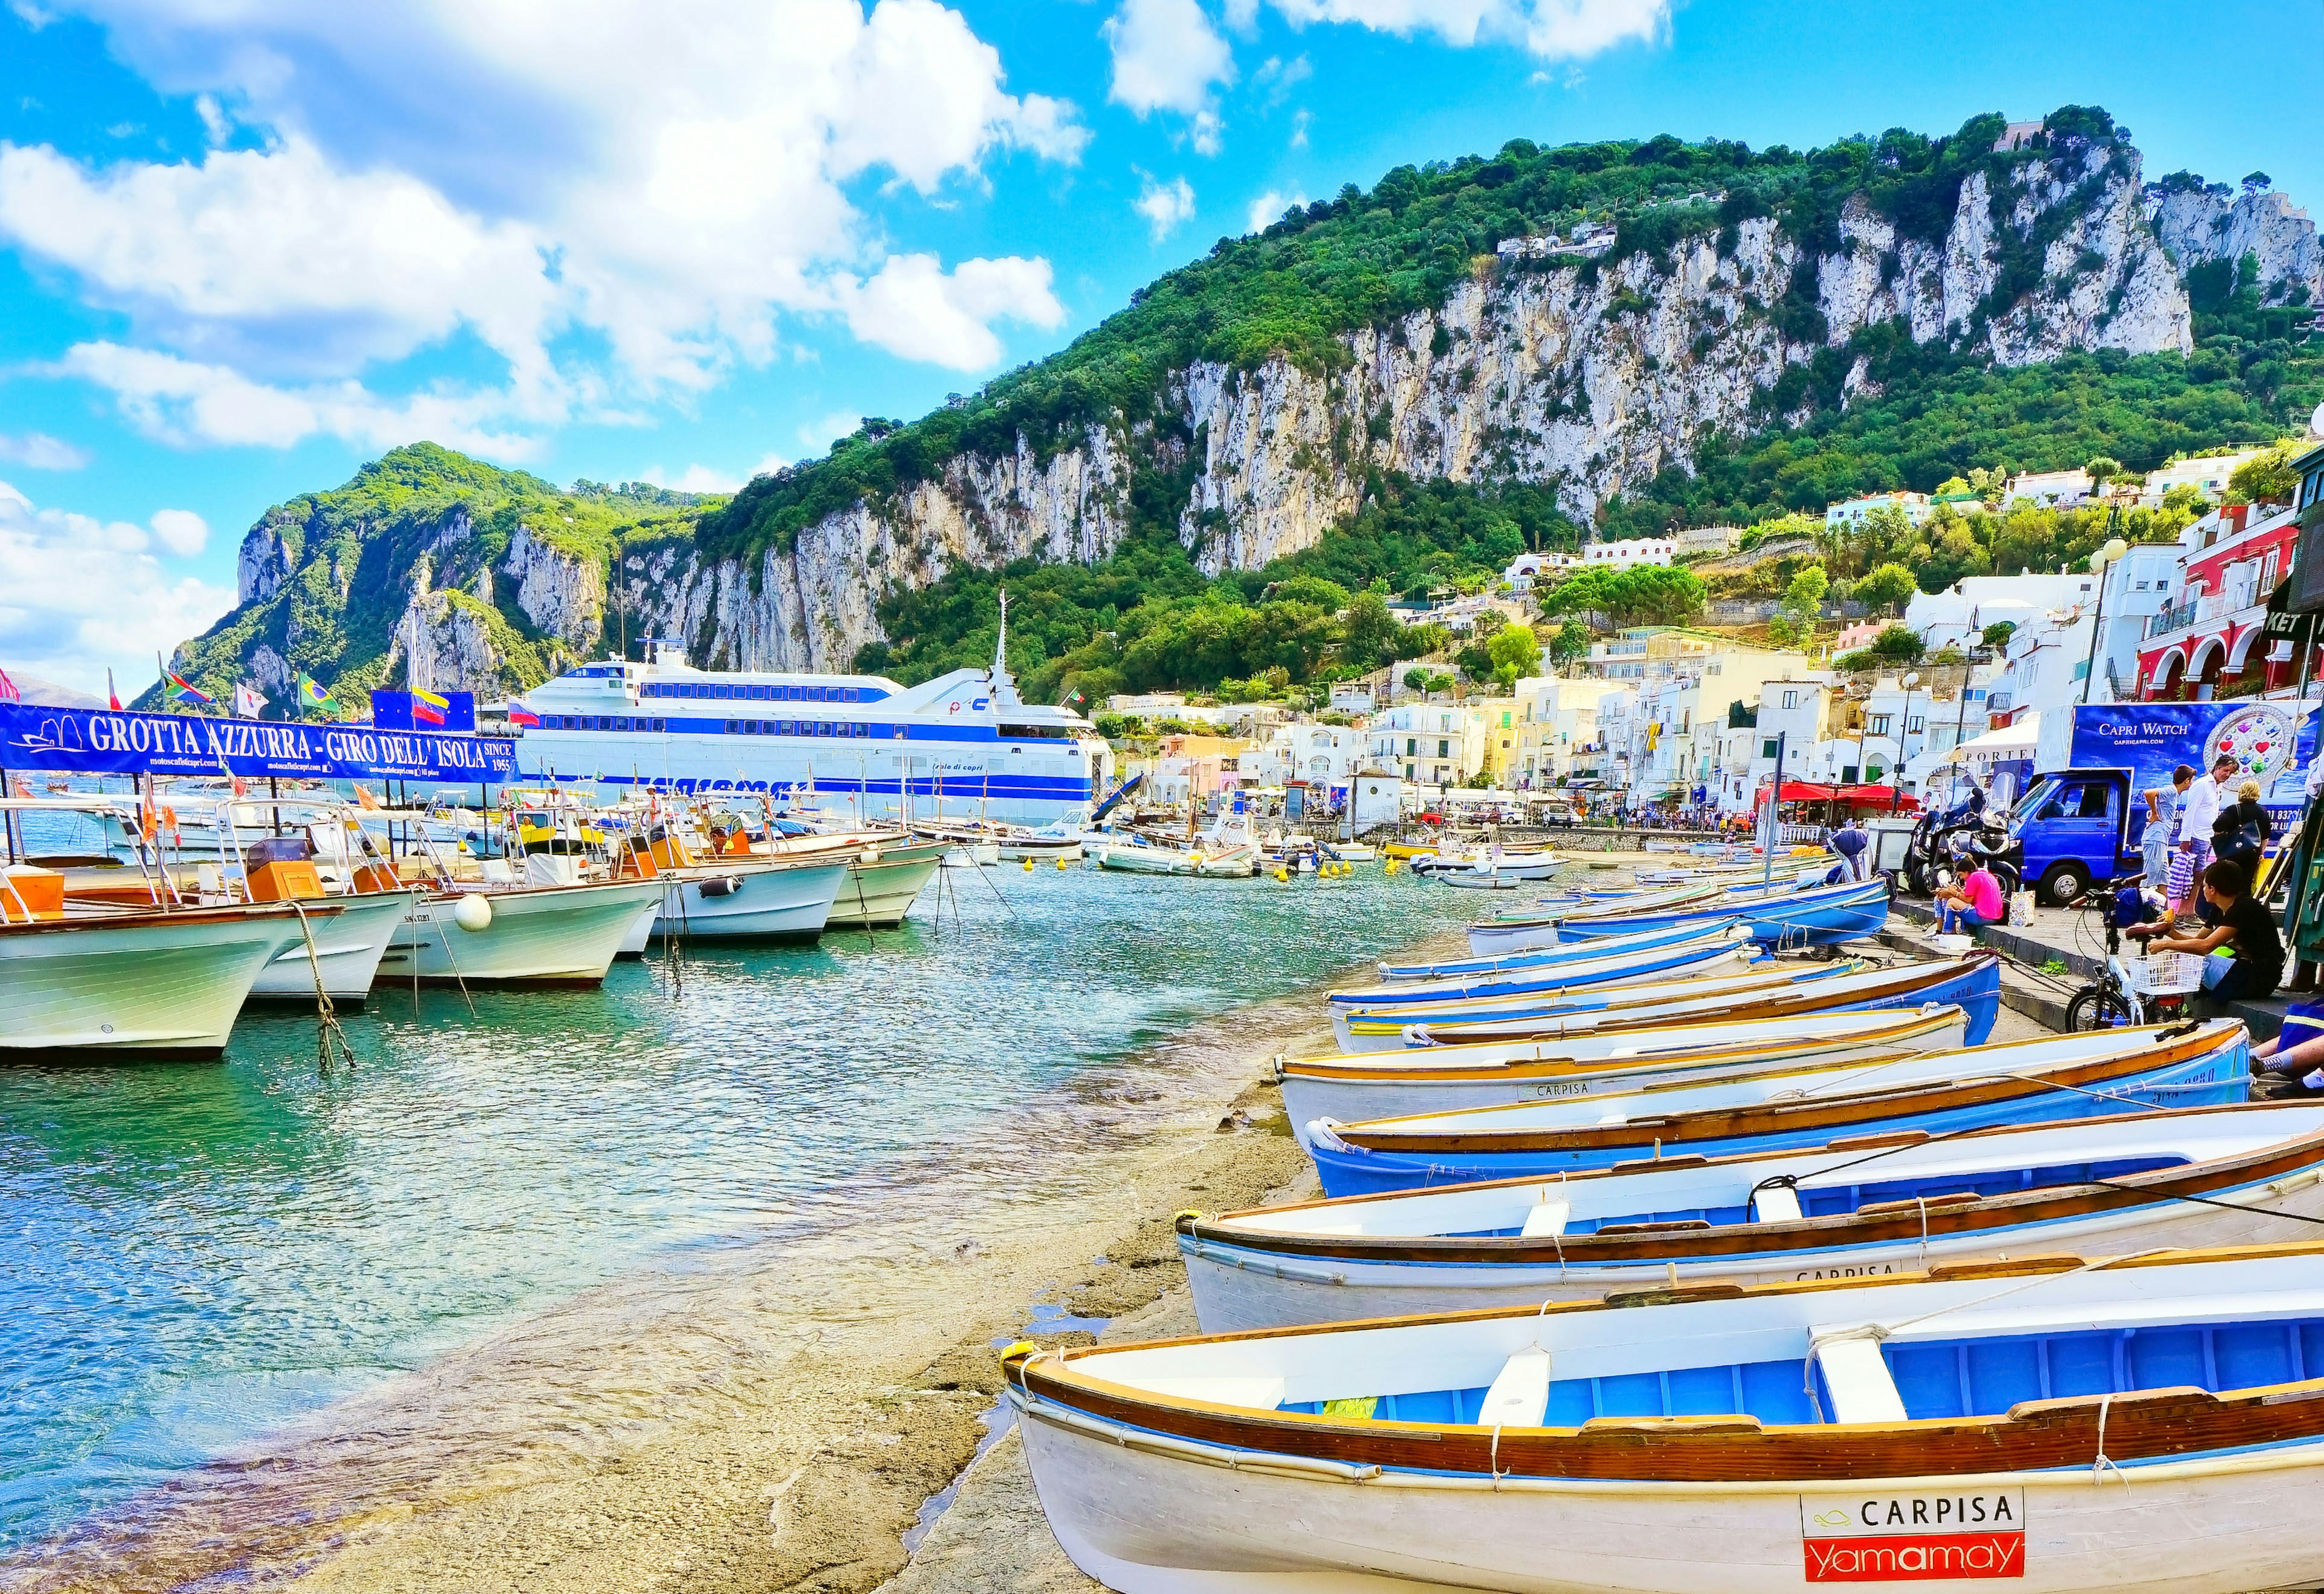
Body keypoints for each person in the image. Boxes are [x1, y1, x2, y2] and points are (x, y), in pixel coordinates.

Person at [2148, 858, 2283, 1007]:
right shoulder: (2219, 908)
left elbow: (2205, 946)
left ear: (2213, 889)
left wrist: (2166, 945)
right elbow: (2197, 940)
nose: (2203, 889)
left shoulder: (2243, 909)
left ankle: (2169, 1004)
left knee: (2196, 962)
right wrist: (2171, 932)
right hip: (2242, 967)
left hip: (2259, 975)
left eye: (2205, 886)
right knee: (2185, 956)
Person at [2143, 766, 2194, 891]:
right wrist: (2154, 813)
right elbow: (2149, 793)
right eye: (2191, 780)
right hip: (2156, 837)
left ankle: (2165, 909)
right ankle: (2144, 906)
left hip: (2161, 839)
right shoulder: (2171, 790)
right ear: (2186, 780)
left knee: (2163, 877)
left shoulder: (2175, 794)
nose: (2192, 783)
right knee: (2150, 877)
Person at [1932, 854, 2004, 937]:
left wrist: (1954, 893)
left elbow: (1968, 900)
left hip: (1984, 917)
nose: (1961, 878)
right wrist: (1958, 890)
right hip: (1994, 917)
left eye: (1961, 875)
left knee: (1952, 902)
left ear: (1966, 872)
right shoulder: (1984, 875)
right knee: (1953, 901)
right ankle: (1963, 931)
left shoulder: (1973, 877)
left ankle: (1947, 933)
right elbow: (1970, 897)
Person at [1830, 815, 1869, 881]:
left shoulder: (1839, 835)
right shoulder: (1862, 833)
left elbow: (1831, 842)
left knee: (1849, 875)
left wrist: (1839, 854)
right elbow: (1866, 846)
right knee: (1861, 873)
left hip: (1847, 858)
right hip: (1859, 858)